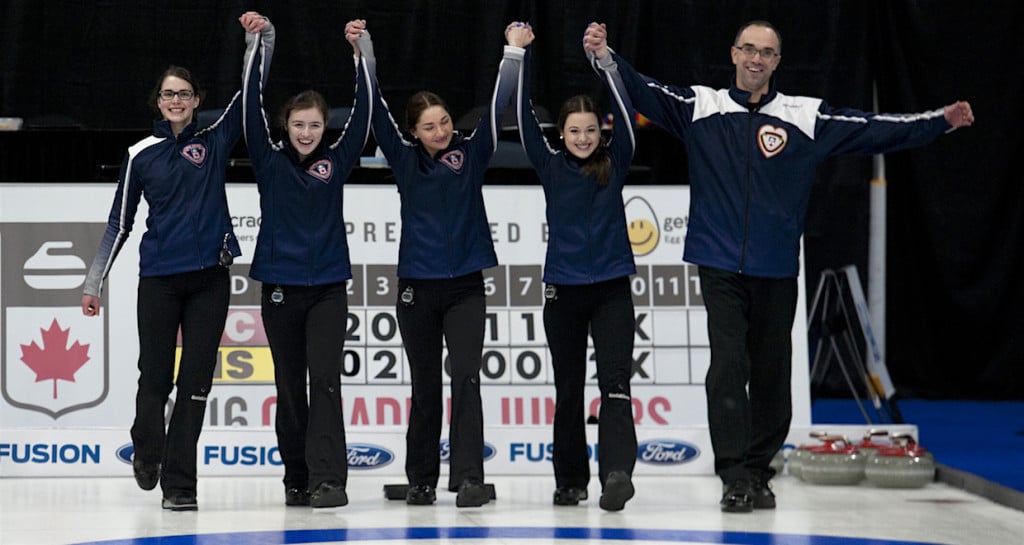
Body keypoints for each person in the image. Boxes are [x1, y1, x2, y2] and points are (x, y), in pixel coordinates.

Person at [583, 20, 974, 513]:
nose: (756, 58)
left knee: (770, 373)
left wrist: (939, 120)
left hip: (776, 266)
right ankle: (732, 475)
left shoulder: (803, 116)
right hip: (718, 261)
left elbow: (875, 130)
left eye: (766, 52)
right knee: (728, 365)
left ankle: (759, 471)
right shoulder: (701, 106)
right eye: (748, 49)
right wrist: (605, 57)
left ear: (776, 62)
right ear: (733, 53)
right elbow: (642, 89)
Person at [80, 13, 272, 511]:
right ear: (159, 102)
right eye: (169, 94)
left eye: (184, 94)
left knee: (196, 384)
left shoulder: (215, 139)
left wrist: (260, 40)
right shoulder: (141, 153)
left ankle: (181, 485)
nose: (177, 101)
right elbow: (119, 223)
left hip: (210, 279)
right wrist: (93, 281)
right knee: (156, 376)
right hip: (160, 282)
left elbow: (251, 94)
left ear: (196, 100)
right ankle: (147, 447)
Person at [357, 21, 530, 508]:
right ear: (414, 132)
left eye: (445, 121)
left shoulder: (472, 154)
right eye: (429, 125)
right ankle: (421, 479)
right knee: (425, 384)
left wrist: (512, 53)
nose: (441, 130)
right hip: (416, 289)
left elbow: (498, 108)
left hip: (466, 288)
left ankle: (469, 477)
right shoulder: (404, 158)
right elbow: (375, 112)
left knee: (467, 379)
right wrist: (364, 52)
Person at [240, 14, 372, 509]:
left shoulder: (336, 162)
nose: (307, 132)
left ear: (324, 127)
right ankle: (296, 477)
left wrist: (362, 57)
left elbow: (362, 116)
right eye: (298, 124)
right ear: (285, 126)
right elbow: (250, 106)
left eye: (315, 125)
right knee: (290, 387)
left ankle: (329, 480)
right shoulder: (268, 160)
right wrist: (257, 44)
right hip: (278, 289)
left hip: (328, 290)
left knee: (327, 382)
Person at [514, 23, 638, 511]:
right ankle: (570, 481)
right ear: (560, 134)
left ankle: (615, 475)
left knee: (616, 385)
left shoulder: (618, 159)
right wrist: (517, 56)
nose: (583, 138)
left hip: (611, 291)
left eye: (590, 131)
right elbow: (522, 118)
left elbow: (626, 117)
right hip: (562, 292)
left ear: (600, 133)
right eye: (573, 131)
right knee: (568, 389)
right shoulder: (548, 164)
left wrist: (604, 62)